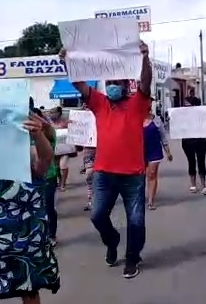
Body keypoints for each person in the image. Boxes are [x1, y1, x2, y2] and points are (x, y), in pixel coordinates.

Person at [60, 40, 152, 279]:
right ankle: (112, 241)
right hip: (104, 174)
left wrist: (145, 58)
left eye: (116, 83)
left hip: (133, 175)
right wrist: (67, 62)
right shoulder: (100, 103)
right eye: (109, 82)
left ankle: (132, 259)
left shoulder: (137, 104)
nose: (112, 86)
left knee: (136, 220)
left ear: (126, 85)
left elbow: (146, 82)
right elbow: (79, 84)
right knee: (97, 215)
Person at [0, 104, 60, 304]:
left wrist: (38, 134)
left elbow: (44, 160)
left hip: (25, 233)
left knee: (28, 289)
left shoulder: (25, 151)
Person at [34, 107, 59, 247]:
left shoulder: (49, 133)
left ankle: (51, 234)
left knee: (48, 207)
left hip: (48, 177)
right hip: (31, 178)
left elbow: (46, 155)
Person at [143, 104, 172, 210]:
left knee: (151, 175)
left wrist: (168, 152)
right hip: (139, 152)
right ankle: (139, 198)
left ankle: (151, 201)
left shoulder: (157, 120)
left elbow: (163, 137)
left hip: (154, 151)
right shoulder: (134, 119)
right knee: (140, 177)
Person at [181, 91, 206, 195]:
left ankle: (204, 185)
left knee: (201, 161)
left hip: (200, 140)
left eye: (188, 104)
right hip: (187, 141)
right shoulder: (182, 115)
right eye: (185, 105)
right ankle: (193, 184)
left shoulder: (201, 114)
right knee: (191, 161)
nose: (185, 106)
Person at [50, 106, 75, 191]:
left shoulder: (66, 122)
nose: (51, 114)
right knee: (56, 168)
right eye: (51, 112)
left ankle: (63, 184)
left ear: (59, 113)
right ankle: (60, 181)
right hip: (54, 149)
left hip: (65, 149)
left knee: (63, 166)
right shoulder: (49, 123)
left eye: (53, 112)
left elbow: (76, 129)